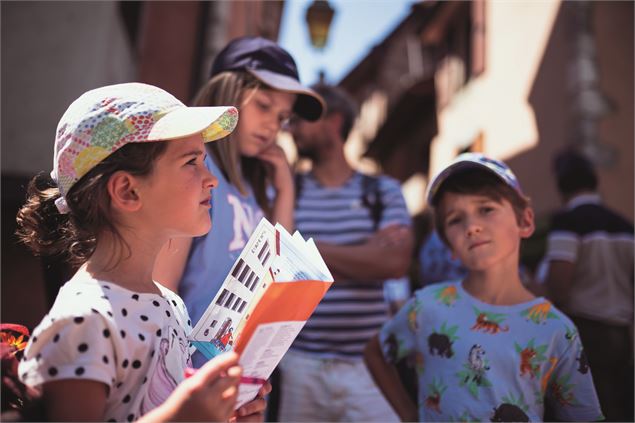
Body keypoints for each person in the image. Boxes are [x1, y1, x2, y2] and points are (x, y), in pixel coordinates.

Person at [14, 82, 257, 422]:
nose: (211, 178)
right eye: (191, 162)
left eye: (204, 160)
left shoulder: (170, 304)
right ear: (127, 191)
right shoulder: (83, 320)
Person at [364, 153, 603, 422]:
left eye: (486, 209)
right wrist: (408, 416)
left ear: (524, 221)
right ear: (448, 247)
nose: (472, 227)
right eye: (455, 219)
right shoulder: (427, 306)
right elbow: (376, 352)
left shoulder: (556, 330)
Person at [153, 37, 324, 371]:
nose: (273, 125)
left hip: (240, 373)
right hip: (185, 371)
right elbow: (162, 288)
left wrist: (285, 190)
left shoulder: (259, 186)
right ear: (227, 93)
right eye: (263, 105)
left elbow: (279, 273)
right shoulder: (199, 175)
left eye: (283, 117)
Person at [276, 83, 413, 422]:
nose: (291, 129)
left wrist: (310, 250)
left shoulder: (382, 190)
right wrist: (365, 254)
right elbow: (280, 260)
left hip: (369, 370)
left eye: (300, 120)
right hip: (299, 366)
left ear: (335, 122)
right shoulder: (285, 191)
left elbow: (395, 262)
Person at [543, 149, 634, 422]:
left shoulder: (567, 222)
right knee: (621, 409)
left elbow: (560, 281)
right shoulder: (625, 225)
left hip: (585, 333)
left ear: (560, 185)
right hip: (621, 332)